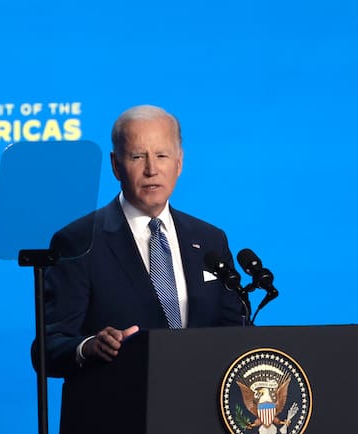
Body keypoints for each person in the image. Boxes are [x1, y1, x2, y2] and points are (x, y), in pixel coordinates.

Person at [34, 105, 244, 378]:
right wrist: (88, 347)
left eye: (162, 155)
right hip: (117, 411)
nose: (151, 169)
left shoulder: (209, 240)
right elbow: (48, 347)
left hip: (199, 407)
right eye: (137, 156)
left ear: (179, 163)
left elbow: (233, 332)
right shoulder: (78, 241)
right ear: (115, 165)